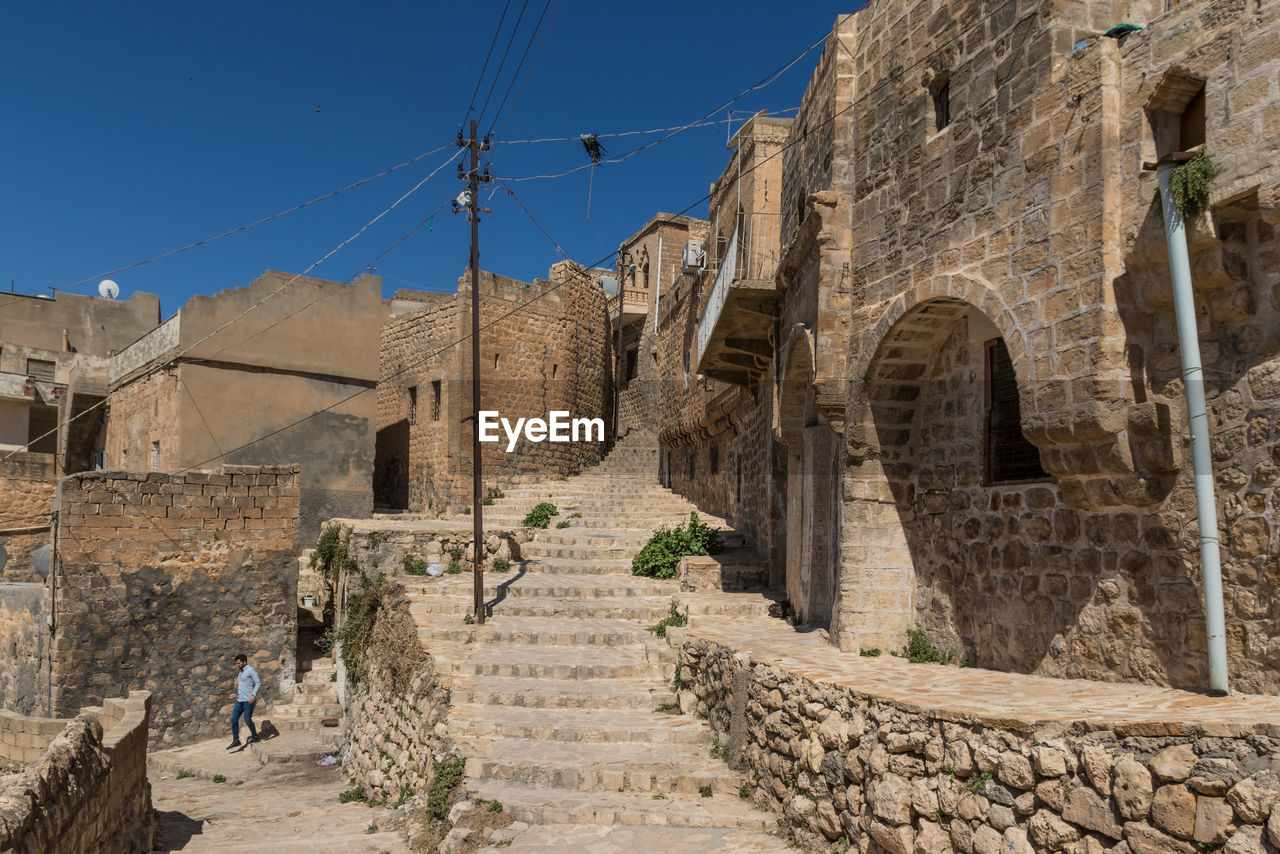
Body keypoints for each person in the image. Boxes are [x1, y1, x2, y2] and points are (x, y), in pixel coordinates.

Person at [228, 653, 260, 749]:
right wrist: (238, 690)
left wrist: (253, 695)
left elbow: (258, 683)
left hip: (248, 701)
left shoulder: (251, 671)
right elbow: (240, 683)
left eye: (238, 663)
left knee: (247, 719)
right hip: (239, 700)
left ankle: (255, 736)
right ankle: (236, 740)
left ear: (244, 662)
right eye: (236, 663)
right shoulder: (241, 672)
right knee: (233, 720)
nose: (237, 665)